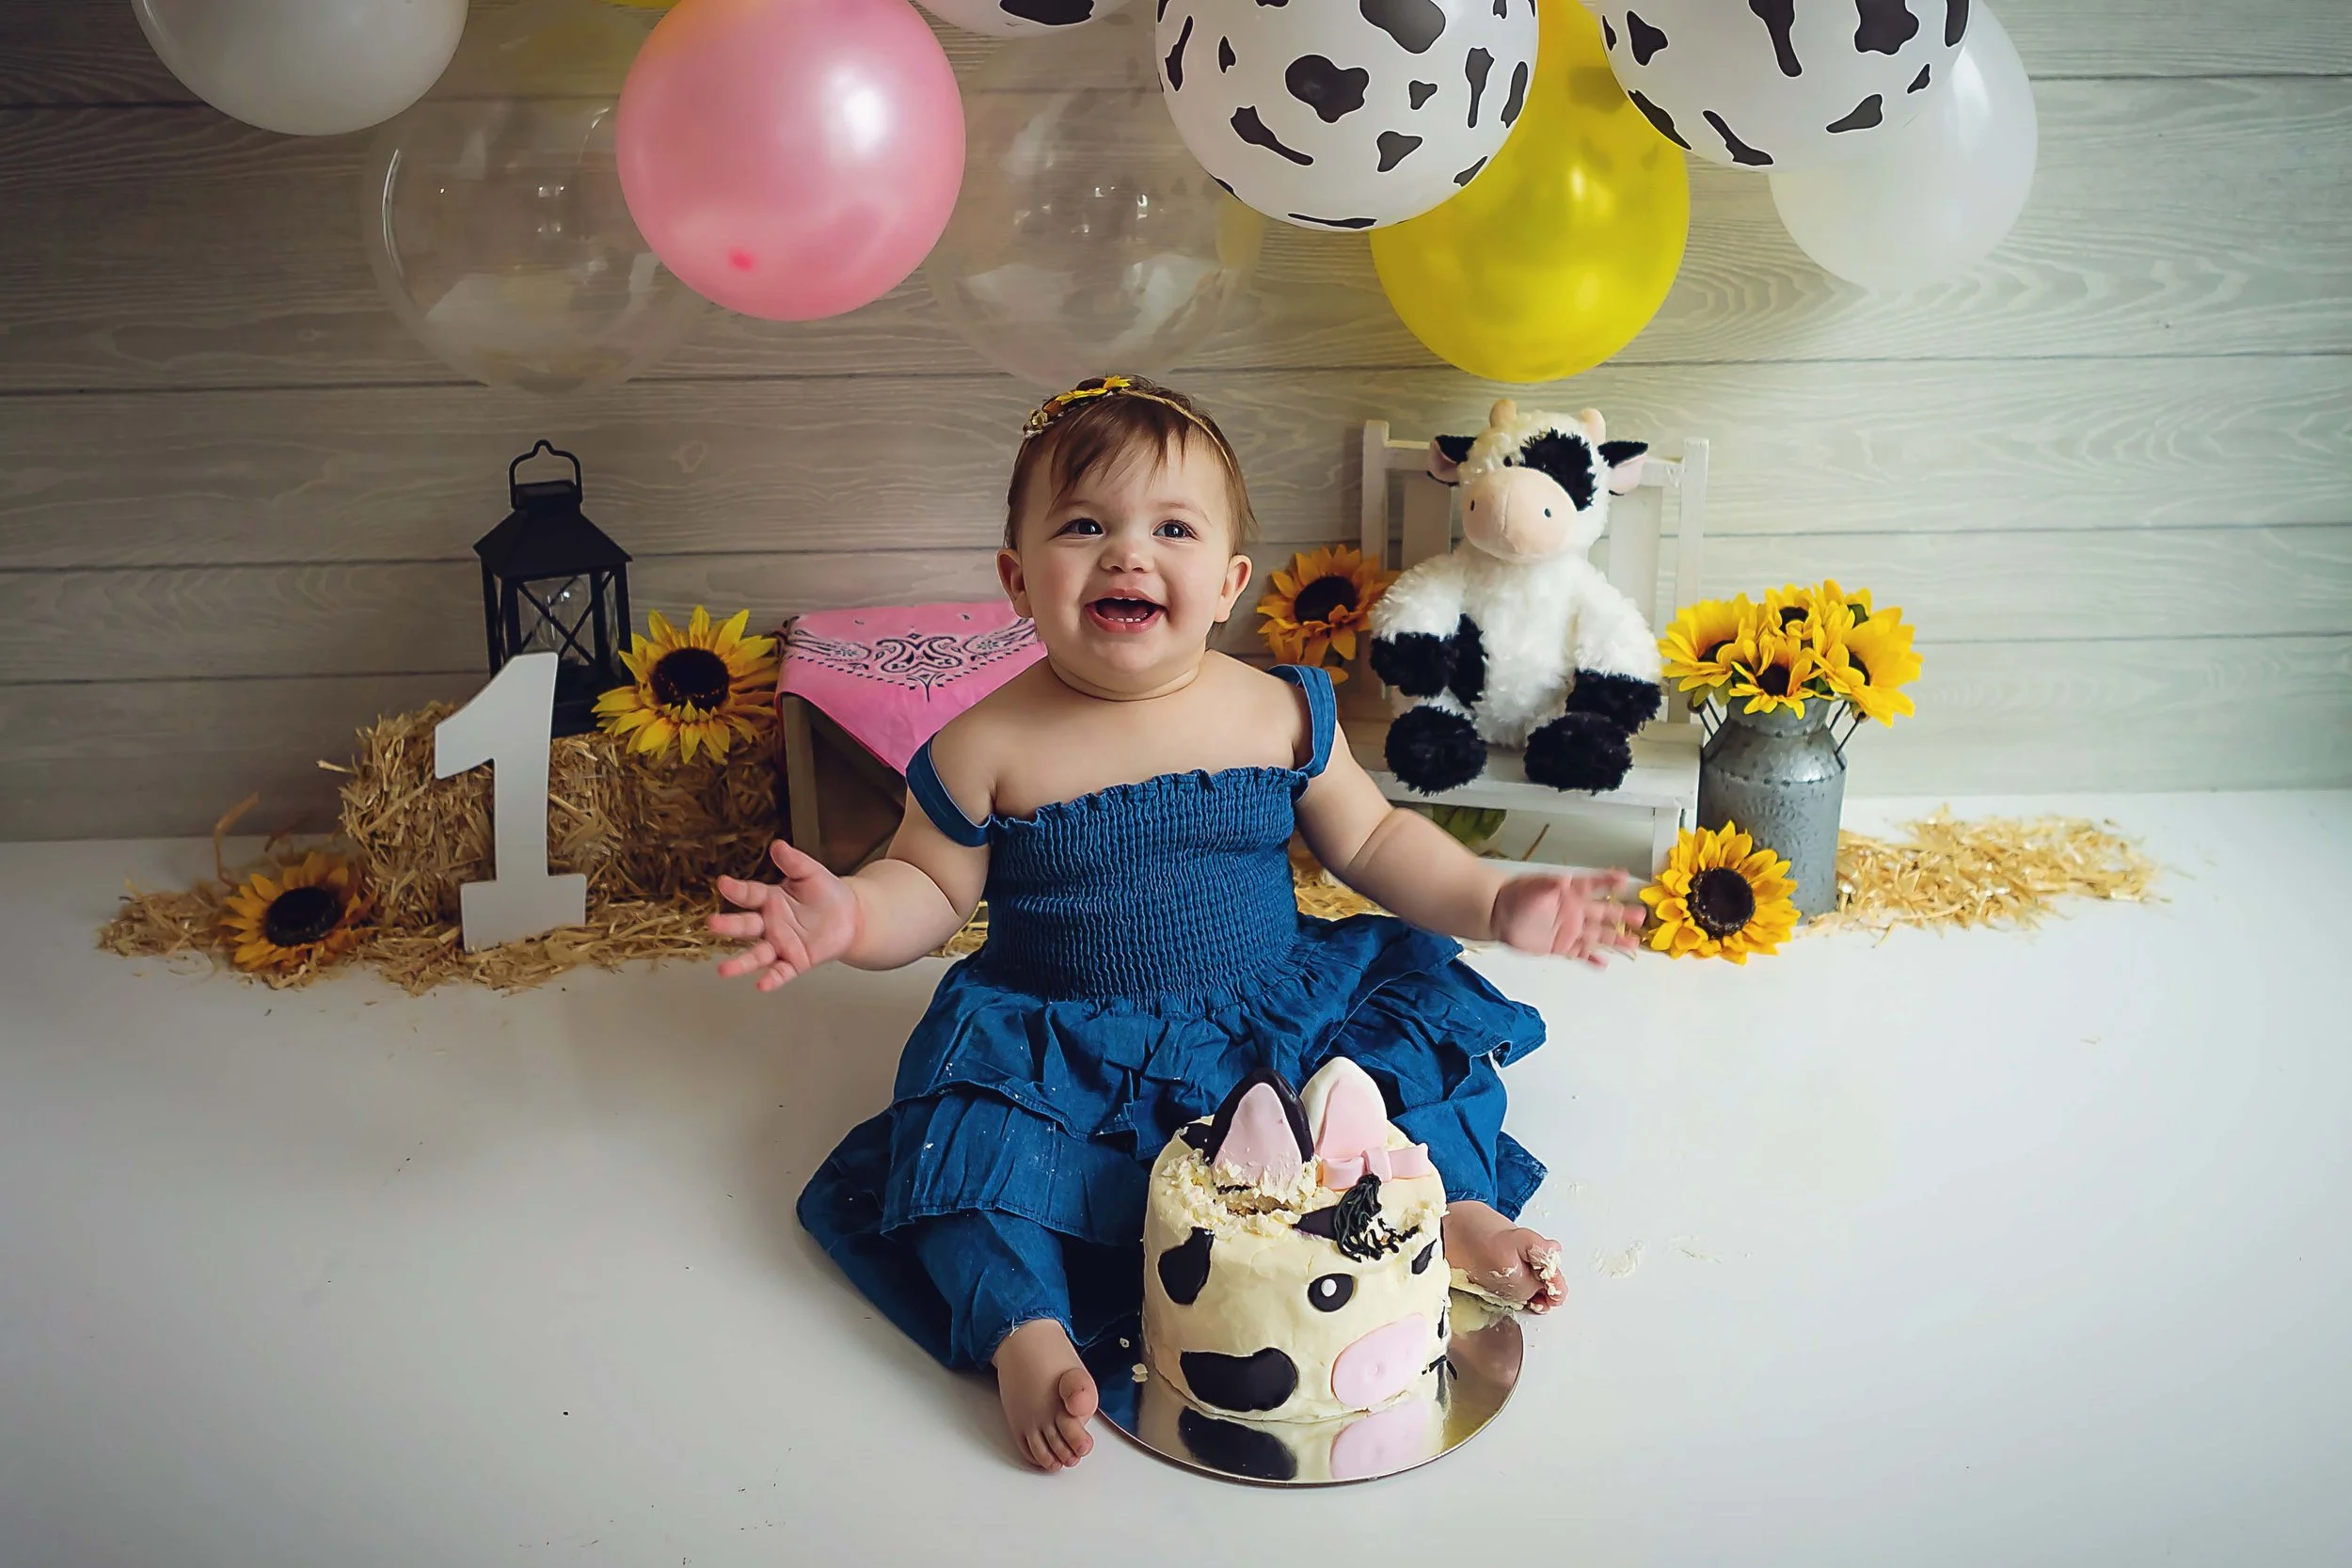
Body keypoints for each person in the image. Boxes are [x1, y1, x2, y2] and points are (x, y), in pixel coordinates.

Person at [711, 376, 1643, 1472]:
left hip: (1271, 1008)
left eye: (1171, 528)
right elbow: (924, 885)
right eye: (1083, 525)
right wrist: (847, 914)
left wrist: (1493, 898)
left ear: (1227, 582)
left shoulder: (1275, 708)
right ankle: (1028, 1333)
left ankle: (1447, 1216)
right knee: (970, 1172)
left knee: (1402, 1073)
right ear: (1018, 578)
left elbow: (1379, 843)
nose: (1125, 554)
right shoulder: (984, 744)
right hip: (1068, 1045)